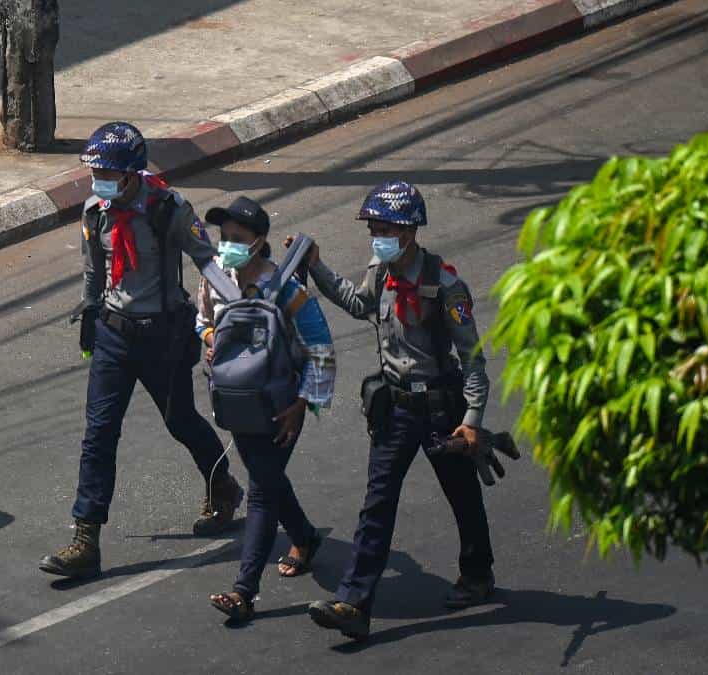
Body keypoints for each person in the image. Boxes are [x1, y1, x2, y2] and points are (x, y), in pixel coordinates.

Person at [39, 122, 243, 580]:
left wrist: (237, 305)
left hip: (163, 335)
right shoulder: (95, 211)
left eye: (109, 173)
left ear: (132, 174)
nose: (101, 182)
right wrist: (90, 318)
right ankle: (85, 538)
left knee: (180, 420)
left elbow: (205, 259)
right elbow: (94, 272)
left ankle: (222, 485)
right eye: (97, 173)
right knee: (99, 433)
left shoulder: (168, 208)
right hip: (114, 334)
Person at [294, 180, 496, 640]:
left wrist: (471, 422)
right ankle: (354, 602)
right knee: (377, 504)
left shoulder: (446, 285)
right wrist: (317, 267)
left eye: (383, 229)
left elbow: (474, 360)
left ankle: (478, 574)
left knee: (462, 494)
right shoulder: (379, 271)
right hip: (397, 406)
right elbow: (358, 304)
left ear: (407, 232)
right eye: (373, 229)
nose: (376, 237)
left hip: (443, 408)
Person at [196, 196, 336, 622]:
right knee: (268, 478)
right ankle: (306, 537)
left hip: (281, 406)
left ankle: (244, 592)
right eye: (224, 238)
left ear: (259, 243)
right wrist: (208, 339)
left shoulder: (287, 288)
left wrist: (304, 404)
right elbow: (199, 320)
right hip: (236, 404)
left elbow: (322, 349)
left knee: (260, 489)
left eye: (237, 238)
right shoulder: (212, 281)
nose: (227, 246)